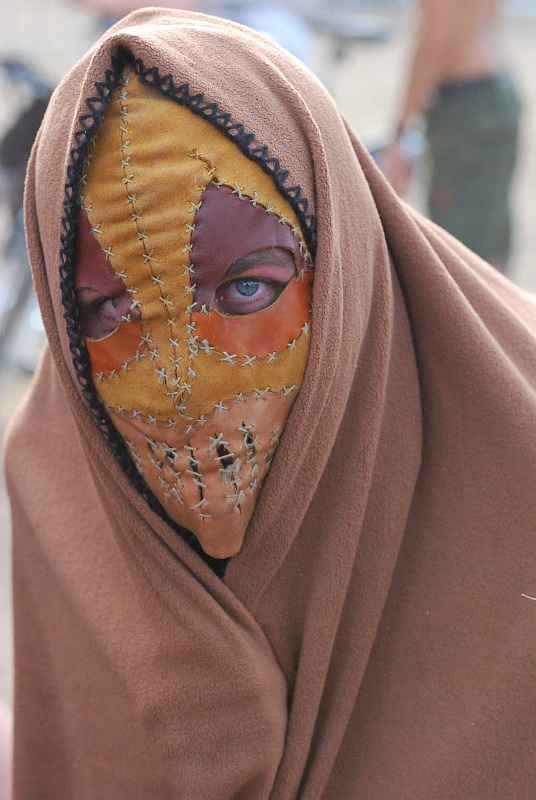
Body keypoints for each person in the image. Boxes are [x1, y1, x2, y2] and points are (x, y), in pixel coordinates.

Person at [4, 8, 536, 798]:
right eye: (105, 313)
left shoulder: (513, 467)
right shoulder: (60, 491)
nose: (178, 394)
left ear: (342, 259)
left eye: (247, 287)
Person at [384, 0, 521, 273]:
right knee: (488, 238)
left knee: (460, 251)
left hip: (466, 105)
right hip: (497, 90)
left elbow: (434, 43)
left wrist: (401, 129)